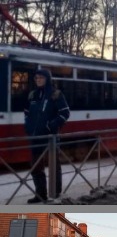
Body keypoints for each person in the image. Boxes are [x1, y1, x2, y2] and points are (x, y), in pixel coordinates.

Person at [24, 68, 70, 203]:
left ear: (47, 79)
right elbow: (27, 113)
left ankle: (55, 194)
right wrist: (28, 126)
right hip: (35, 136)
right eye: (36, 78)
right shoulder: (32, 95)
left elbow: (65, 113)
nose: (38, 80)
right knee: (35, 166)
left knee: (54, 165)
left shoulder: (56, 94)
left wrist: (51, 126)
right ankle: (40, 194)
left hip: (51, 137)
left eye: (41, 78)